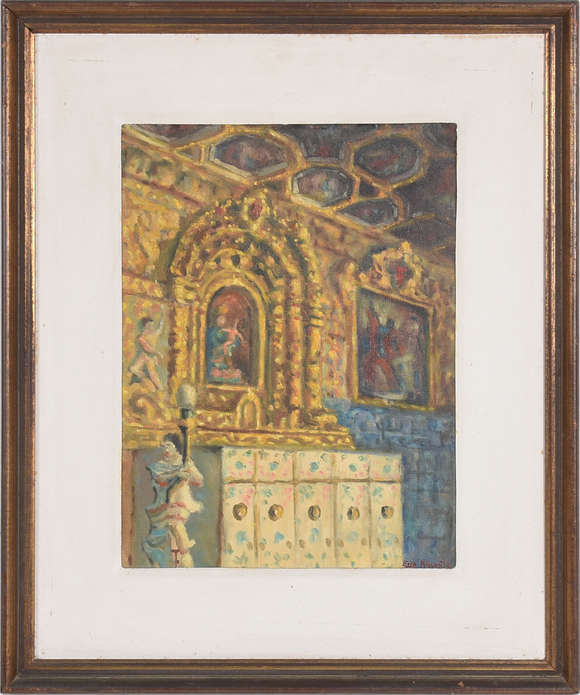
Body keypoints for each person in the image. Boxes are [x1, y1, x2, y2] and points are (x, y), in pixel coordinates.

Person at [143, 433, 204, 568]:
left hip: (180, 504)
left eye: (169, 446)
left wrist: (190, 470)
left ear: (176, 447)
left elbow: (199, 480)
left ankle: (185, 554)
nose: (166, 449)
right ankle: (174, 558)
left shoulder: (185, 462)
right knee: (158, 539)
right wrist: (176, 473)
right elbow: (160, 479)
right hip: (162, 506)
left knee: (175, 524)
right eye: (163, 447)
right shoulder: (160, 466)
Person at [128, 309, 165, 391]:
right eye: (149, 326)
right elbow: (147, 348)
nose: (151, 328)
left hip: (148, 362)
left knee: (152, 372)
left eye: (152, 326)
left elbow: (160, 329)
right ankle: (160, 389)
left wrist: (162, 318)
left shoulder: (152, 335)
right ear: (144, 327)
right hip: (143, 360)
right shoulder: (140, 338)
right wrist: (158, 353)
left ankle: (160, 389)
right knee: (146, 359)